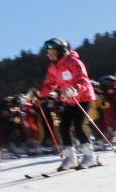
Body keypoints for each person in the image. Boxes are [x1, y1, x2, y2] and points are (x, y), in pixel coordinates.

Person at [34, 38, 99, 170]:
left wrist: (75, 89)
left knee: (78, 126)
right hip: (69, 99)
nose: (49, 55)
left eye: (51, 52)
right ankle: (71, 158)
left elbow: (83, 80)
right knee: (63, 127)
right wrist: (38, 94)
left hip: (84, 97)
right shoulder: (53, 68)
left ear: (61, 51)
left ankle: (89, 156)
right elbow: (49, 84)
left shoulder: (73, 62)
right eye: (47, 52)